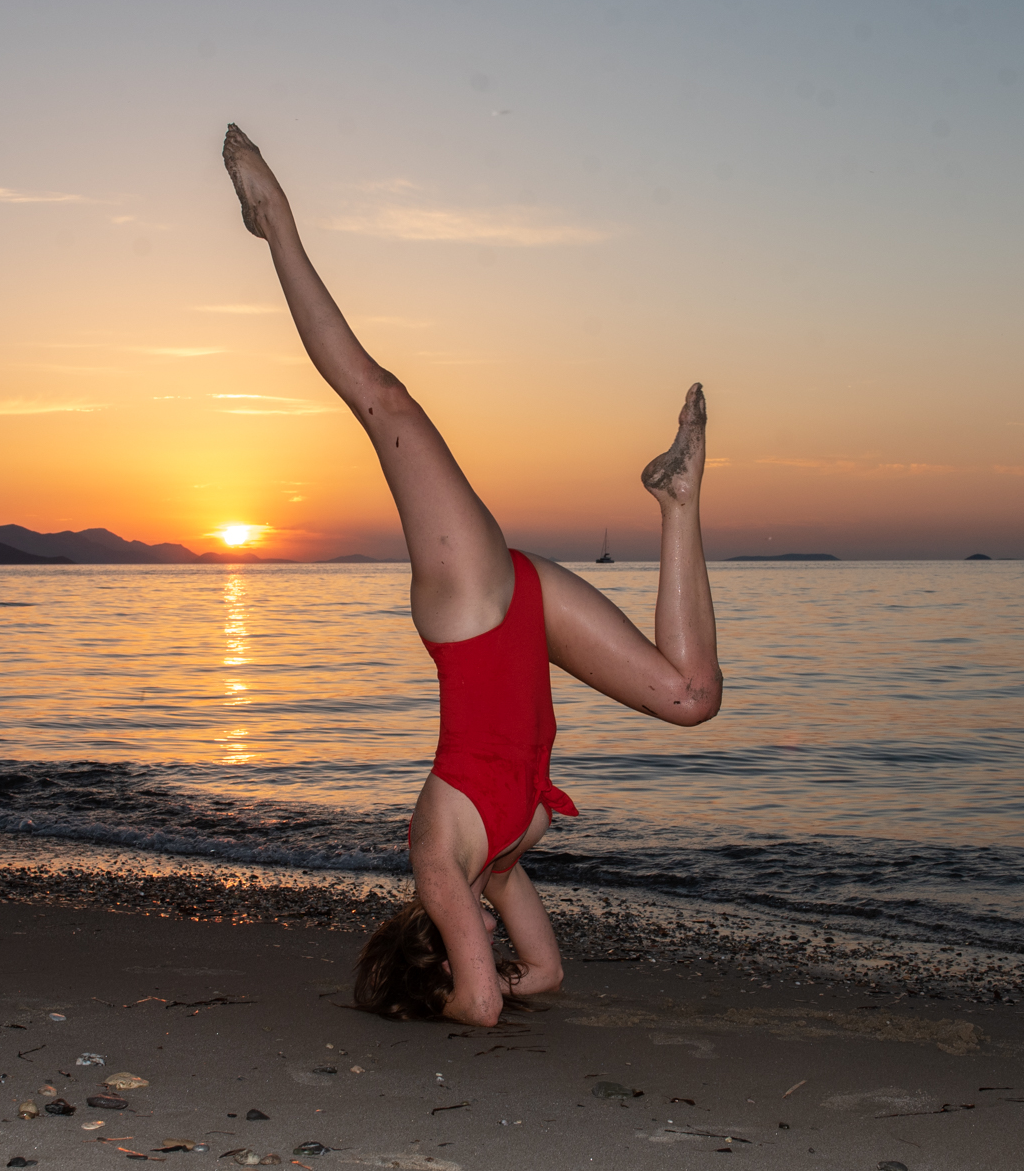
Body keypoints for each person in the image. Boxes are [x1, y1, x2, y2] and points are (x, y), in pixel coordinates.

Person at [221, 124, 722, 1027]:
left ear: (433, 951)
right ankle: (678, 499)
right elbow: (543, 978)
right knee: (690, 697)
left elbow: (487, 1004)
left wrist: (460, 994)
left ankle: (276, 222)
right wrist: (487, 972)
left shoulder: (439, 859)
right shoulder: (490, 865)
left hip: (468, 608)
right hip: (522, 612)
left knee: (384, 403)